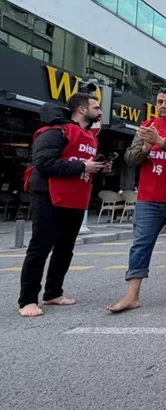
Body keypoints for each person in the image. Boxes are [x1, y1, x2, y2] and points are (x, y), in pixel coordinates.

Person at [107, 88, 166, 313]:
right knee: (141, 244)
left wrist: (161, 141)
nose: (163, 106)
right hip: (149, 198)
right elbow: (130, 158)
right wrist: (146, 148)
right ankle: (132, 295)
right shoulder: (146, 127)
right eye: (160, 101)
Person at [18, 96, 105, 317]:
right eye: (96, 107)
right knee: (40, 247)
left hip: (74, 198)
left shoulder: (89, 136)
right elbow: (44, 163)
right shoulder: (55, 132)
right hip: (49, 196)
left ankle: (53, 293)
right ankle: (27, 300)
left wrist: (97, 167)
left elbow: (80, 164)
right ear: (82, 109)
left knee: (65, 249)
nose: (100, 112)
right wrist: (82, 166)